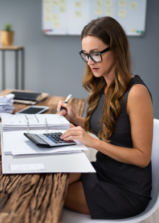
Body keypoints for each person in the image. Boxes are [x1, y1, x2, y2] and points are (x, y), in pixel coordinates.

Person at [57, 16, 153, 219]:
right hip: (103, 170)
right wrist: (76, 119)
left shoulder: (136, 93)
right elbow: (111, 129)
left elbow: (142, 157)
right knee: (51, 179)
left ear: (116, 49)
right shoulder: (104, 85)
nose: (90, 62)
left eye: (96, 54)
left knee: (52, 193)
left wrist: (93, 143)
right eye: (86, 54)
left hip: (126, 189)